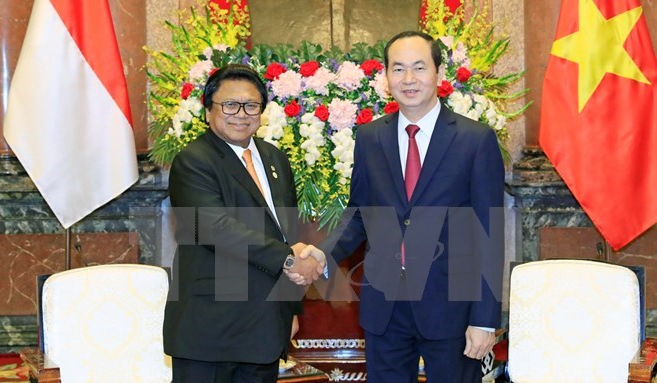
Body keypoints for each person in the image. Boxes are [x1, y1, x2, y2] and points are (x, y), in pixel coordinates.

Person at [291, 31, 505, 382]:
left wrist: (483, 319)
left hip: (451, 309)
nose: (408, 79)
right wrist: (319, 253)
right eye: (398, 69)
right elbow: (359, 214)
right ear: (385, 77)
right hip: (385, 309)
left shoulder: (475, 139)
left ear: (438, 72)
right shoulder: (371, 138)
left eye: (419, 68)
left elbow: (488, 234)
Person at [163, 63, 324, 383]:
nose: (241, 113)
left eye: (251, 105)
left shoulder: (275, 158)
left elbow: (285, 231)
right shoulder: (194, 160)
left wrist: (289, 308)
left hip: (263, 331)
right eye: (230, 105)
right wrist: (289, 260)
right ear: (208, 110)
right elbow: (214, 228)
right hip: (210, 332)